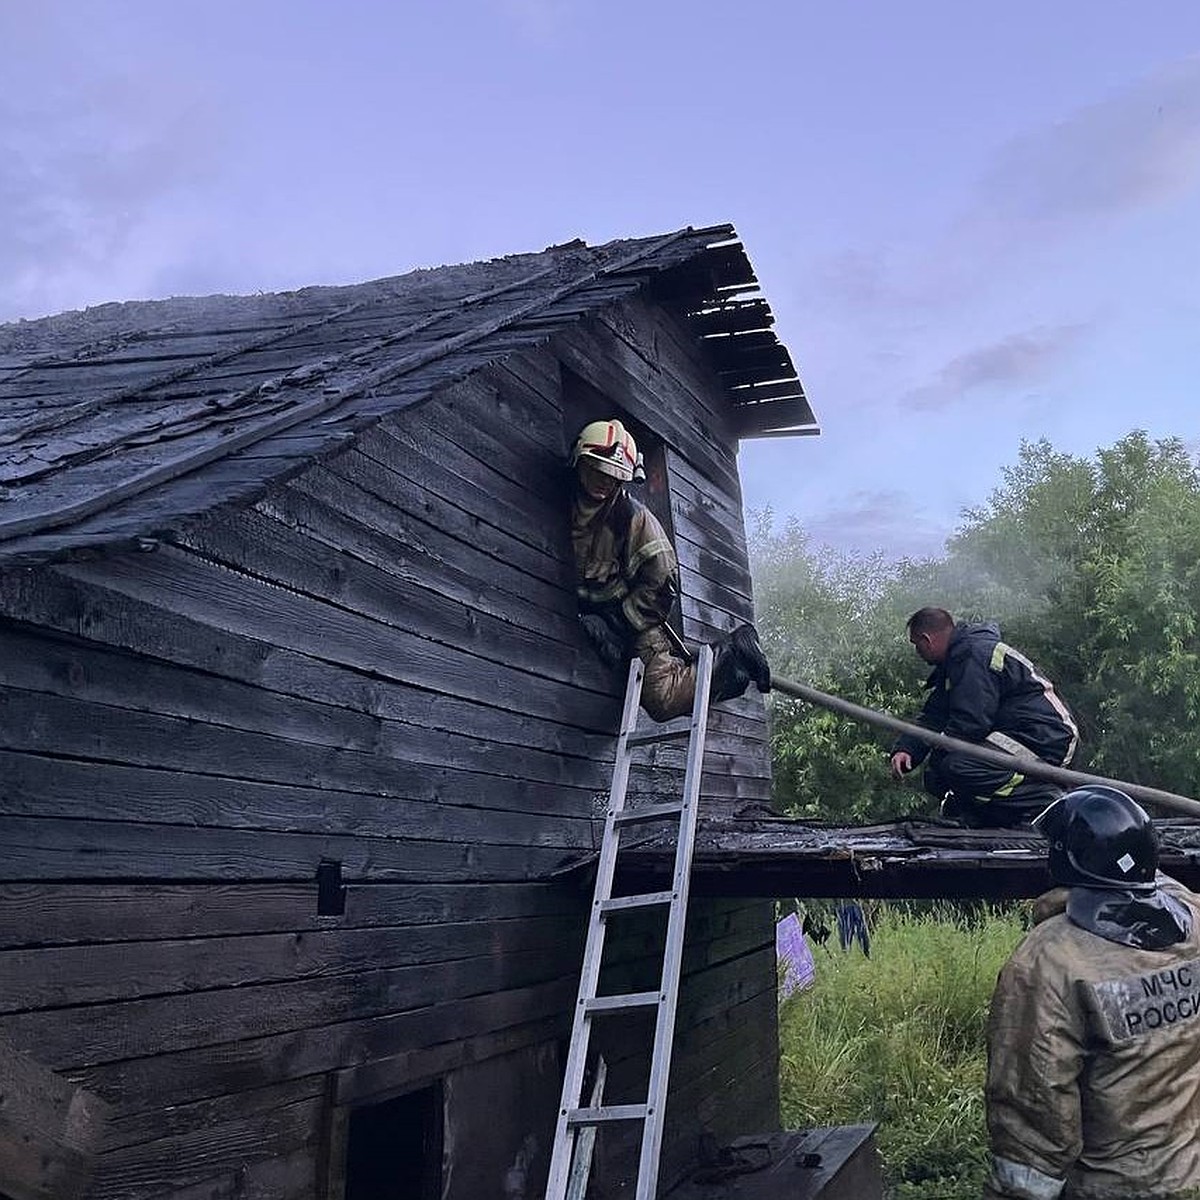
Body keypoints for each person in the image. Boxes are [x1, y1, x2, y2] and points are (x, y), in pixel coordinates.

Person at [984, 785, 1200, 1199]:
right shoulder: (1192, 927)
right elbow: (1161, 888)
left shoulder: (1048, 961)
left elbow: (1034, 1107)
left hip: (1111, 1187)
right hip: (1189, 1172)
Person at [569, 418, 771, 722]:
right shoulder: (563, 505)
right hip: (592, 611)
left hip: (634, 621)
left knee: (661, 700)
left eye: (614, 476)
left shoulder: (633, 519)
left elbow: (662, 583)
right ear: (579, 461)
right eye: (598, 470)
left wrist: (618, 623)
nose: (604, 481)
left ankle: (732, 653)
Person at [889, 606, 1080, 827]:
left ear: (927, 639)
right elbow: (935, 715)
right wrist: (908, 749)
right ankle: (989, 815)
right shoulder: (955, 663)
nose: (918, 653)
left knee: (957, 766)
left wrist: (939, 753)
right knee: (938, 773)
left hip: (1045, 738)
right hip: (1019, 736)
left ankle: (1043, 798)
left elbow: (972, 723)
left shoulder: (975, 655)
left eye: (917, 645)